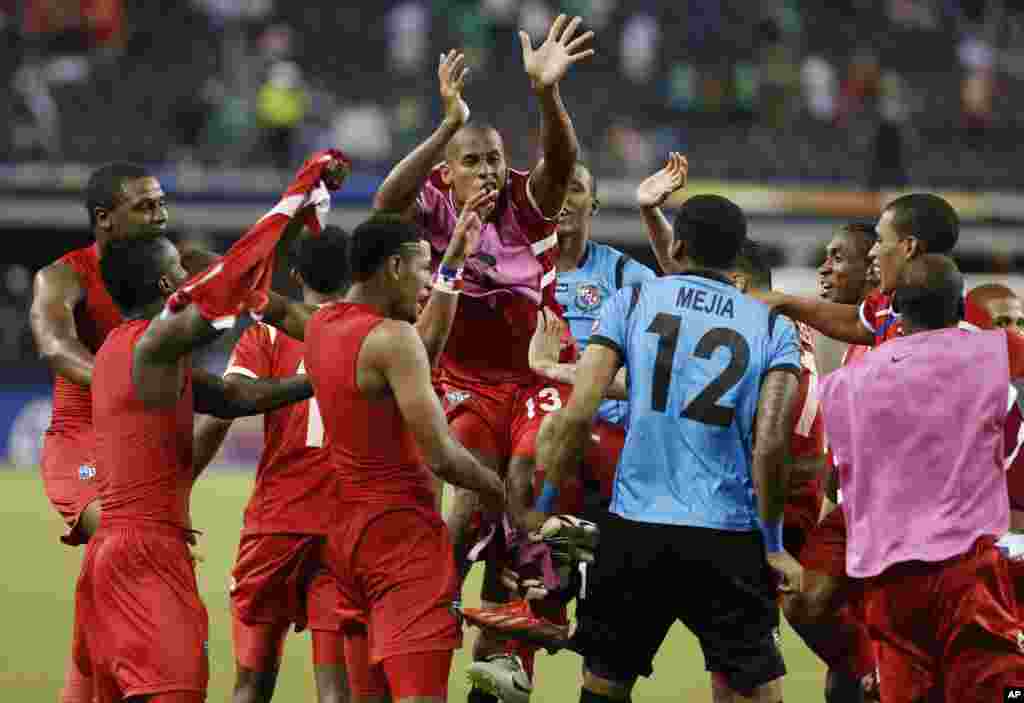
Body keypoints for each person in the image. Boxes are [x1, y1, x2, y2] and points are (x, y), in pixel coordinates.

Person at [370, 18, 594, 703]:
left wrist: (547, 96)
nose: (490, 170)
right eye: (474, 161)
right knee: (463, 511)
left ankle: (541, 597)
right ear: (449, 173)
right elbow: (384, 205)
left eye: (495, 158)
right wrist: (447, 126)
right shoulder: (435, 211)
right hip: (463, 384)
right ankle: (438, 622)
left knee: (526, 477)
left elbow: (559, 165)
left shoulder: (527, 207)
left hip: (533, 377)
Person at [532, 195, 803, 703]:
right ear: (736, 253)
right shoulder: (772, 328)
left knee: (604, 684)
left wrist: (545, 507)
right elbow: (770, 444)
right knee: (756, 691)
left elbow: (579, 410)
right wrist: (772, 543)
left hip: (636, 525)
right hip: (727, 533)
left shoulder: (631, 302)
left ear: (677, 245)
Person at [74, 235, 317, 703]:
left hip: (111, 554)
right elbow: (218, 303)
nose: (189, 278)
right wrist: (296, 201)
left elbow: (231, 398)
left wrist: (317, 377)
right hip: (148, 550)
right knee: (176, 690)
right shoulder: (151, 347)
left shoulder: (119, 350)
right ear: (167, 283)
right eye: (180, 272)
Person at [464, 159, 655, 701]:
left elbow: (661, 369)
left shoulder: (627, 279)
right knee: (509, 632)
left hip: (611, 485)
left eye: (578, 189)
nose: (566, 199)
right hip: (528, 472)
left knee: (604, 645)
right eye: (558, 189)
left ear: (593, 206)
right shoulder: (508, 276)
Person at [304, 217, 507, 703]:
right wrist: (493, 488)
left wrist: (453, 267)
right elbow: (440, 454)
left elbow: (420, 352)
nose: (425, 282)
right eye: (422, 269)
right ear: (394, 266)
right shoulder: (393, 338)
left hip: (346, 539)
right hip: (402, 541)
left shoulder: (322, 325)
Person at [818, 254, 1024, 703]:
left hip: (889, 582)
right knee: (994, 688)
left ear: (896, 310)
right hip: (966, 569)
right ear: (959, 308)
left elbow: (837, 483)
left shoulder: (843, 384)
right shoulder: (993, 354)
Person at [190, 227, 352, 703]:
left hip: (275, 526)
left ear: (296, 274)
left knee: (251, 685)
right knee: (336, 692)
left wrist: (177, 489)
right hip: (344, 528)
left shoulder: (266, 332)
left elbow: (225, 409)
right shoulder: (374, 334)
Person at [29, 161, 167, 703]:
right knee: (128, 543)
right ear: (104, 219)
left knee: (106, 589)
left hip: (140, 448)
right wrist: (118, 381)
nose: (160, 216)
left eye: (161, 203)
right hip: (82, 441)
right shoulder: (64, 275)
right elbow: (54, 344)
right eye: (145, 206)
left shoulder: (167, 270)